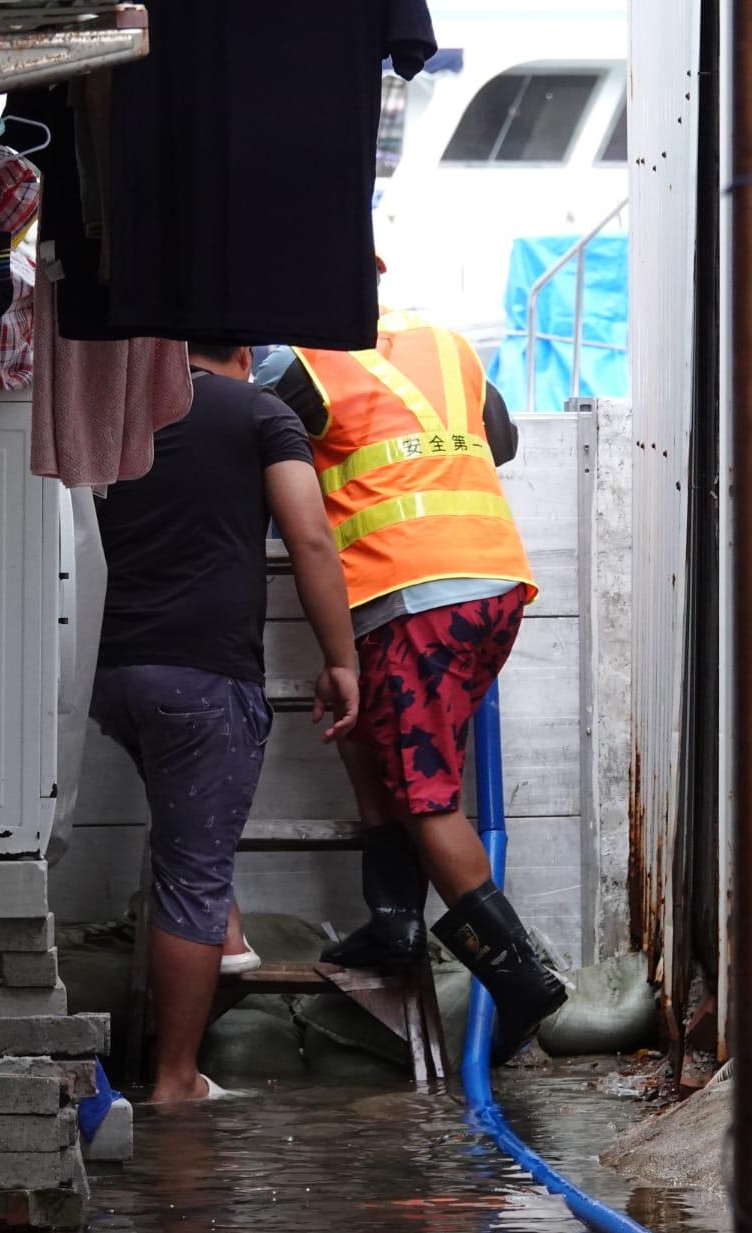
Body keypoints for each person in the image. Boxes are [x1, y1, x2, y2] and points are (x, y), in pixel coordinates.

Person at [259, 297, 568, 1061]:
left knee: (426, 791)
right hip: (490, 583)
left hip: (411, 591)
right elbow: (502, 440)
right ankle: (393, 918)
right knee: (369, 733)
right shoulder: (444, 343)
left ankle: (522, 977)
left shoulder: (307, 360)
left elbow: (244, 432)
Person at [90, 341, 359, 1102]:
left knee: (189, 840)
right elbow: (309, 536)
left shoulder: (125, 414)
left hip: (114, 671)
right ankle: (176, 1079)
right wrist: (341, 659)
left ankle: (230, 936)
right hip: (204, 674)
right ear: (245, 353)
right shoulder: (263, 412)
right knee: (195, 874)